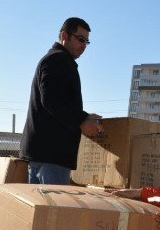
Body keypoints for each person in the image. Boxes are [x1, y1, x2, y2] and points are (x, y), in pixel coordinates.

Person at [20, 17, 104, 185]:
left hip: (43, 155)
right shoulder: (58, 59)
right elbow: (51, 101)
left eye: (87, 42)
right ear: (64, 35)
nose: (83, 46)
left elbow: (56, 102)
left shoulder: (55, 59)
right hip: (52, 157)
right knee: (53, 211)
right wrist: (81, 121)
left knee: (42, 210)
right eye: (80, 39)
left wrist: (85, 116)